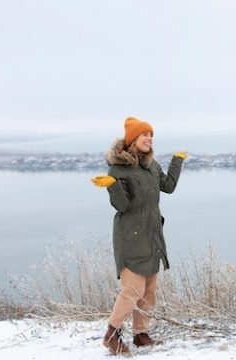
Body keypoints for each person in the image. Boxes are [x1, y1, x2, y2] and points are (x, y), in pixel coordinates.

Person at [91, 116, 188, 355]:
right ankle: (111, 335)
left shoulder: (151, 166)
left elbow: (168, 187)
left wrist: (176, 162)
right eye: (144, 134)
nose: (149, 138)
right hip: (130, 235)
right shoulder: (118, 169)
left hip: (152, 232)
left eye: (151, 135)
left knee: (150, 288)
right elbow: (122, 206)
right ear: (133, 139)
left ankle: (140, 333)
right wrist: (112, 185)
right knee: (133, 289)